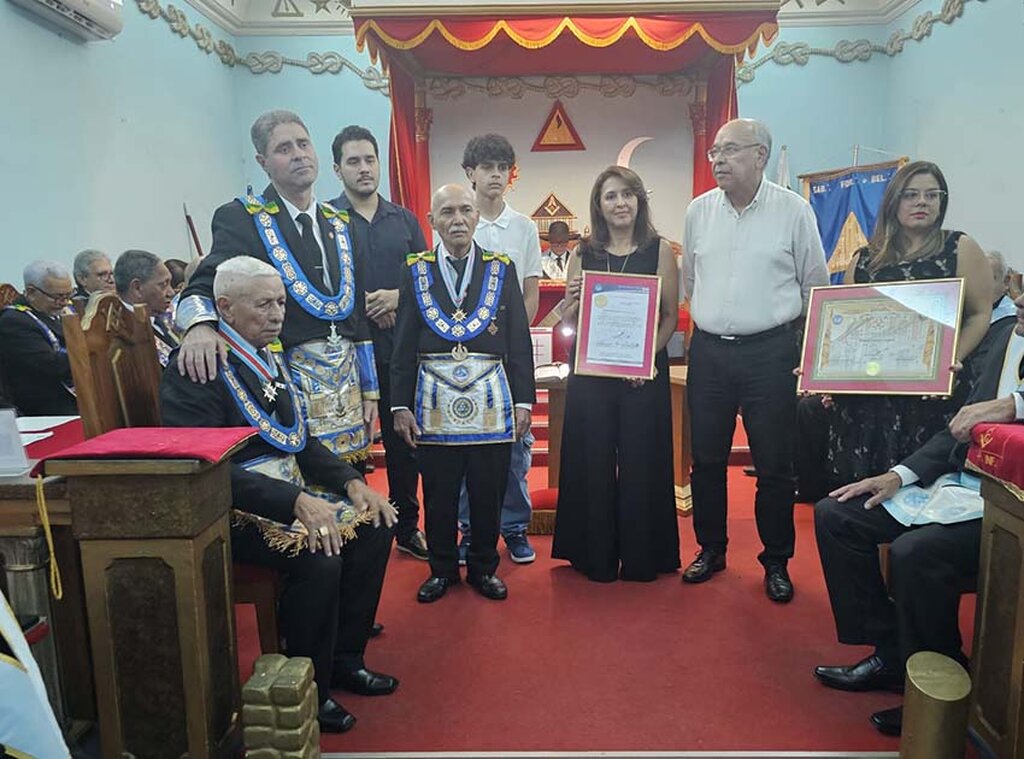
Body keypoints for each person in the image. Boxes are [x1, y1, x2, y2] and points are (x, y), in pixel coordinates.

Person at [161, 256, 398, 734]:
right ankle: (309, 687)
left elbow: (298, 439)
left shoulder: (267, 355)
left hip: (290, 489)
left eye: (281, 302)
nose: (276, 314)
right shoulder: (198, 367)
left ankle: (344, 658)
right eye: (263, 304)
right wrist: (292, 502)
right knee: (320, 557)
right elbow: (204, 468)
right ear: (224, 307)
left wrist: (351, 483)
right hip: (229, 508)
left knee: (375, 521)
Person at [812, 294, 1022, 737]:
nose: (1017, 299)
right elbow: (958, 425)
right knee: (838, 514)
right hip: (958, 484)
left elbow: (999, 413)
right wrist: (898, 475)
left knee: (916, 554)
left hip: (1011, 509)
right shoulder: (1004, 336)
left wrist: (1016, 405)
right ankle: (894, 652)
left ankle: (945, 683)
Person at [175, 110, 380, 467]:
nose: (299, 154)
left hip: (346, 386)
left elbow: (357, 314)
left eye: (303, 144)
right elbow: (208, 280)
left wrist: (370, 387)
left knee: (354, 488)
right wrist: (198, 326)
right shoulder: (242, 217)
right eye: (284, 148)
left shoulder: (340, 221)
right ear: (263, 162)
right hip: (287, 379)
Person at [681, 118, 830, 602]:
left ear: (761, 156)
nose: (718, 160)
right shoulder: (699, 212)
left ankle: (776, 560)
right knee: (705, 460)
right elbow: (689, 285)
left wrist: (809, 360)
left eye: (729, 151)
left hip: (772, 351)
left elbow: (816, 289)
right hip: (709, 352)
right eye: (714, 152)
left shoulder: (794, 211)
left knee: (774, 466)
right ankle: (711, 548)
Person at [391, 184, 535, 603]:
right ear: (432, 221)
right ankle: (441, 569)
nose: (457, 219)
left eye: (465, 211)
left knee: (487, 490)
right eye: (447, 212)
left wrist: (523, 400)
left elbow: (518, 340)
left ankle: (484, 567)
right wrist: (400, 405)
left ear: (477, 218)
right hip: (433, 401)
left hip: (490, 399)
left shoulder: (500, 268)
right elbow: (402, 340)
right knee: (438, 491)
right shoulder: (414, 269)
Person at [551, 166, 680, 582]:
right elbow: (568, 319)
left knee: (643, 461)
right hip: (591, 375)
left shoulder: (659, 250)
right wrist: (571, 301)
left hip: (641, 376)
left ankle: (644, 556)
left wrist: (647, 359)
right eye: (611, 196)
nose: (620, 203)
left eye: (627, 194)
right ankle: (595, 556)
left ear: (639, 200)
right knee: (592, 460)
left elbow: (668, 318)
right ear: (599, 204)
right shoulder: (583, 252)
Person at [827, 161, 992, 486]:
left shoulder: (959, 248)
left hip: (929, 397)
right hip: (867, 398)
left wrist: (949, 359)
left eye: (932, 195)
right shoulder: (864, 259)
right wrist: (825, 367)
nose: (922, 202)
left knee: (920, 488)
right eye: (911, 195)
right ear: (893, 202)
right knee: (859, 491)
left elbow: (978, 314)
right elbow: (844, 323)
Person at [328, 125, 430, 561]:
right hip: (346, 356)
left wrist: (397, 297)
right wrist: (367, 306)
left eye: (370, 159)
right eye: (354, 161)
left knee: (404, 444)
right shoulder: (326, 221)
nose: (364, 168)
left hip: (400, 354)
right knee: (347, 447)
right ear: (337, 169)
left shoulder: (404, 220)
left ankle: (407, 526)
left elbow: (427, 283)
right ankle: (350, 529)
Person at [457, 134, 543, 565]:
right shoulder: (455, 219)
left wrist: (511, 340)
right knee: (461, 442)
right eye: (486, 167)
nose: (495, 175)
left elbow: (530, 293)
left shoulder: (524, 227)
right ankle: (469, 529)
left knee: (514, 446)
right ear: (469, 173)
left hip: (507, 358)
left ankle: (513, 528)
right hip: (461, 358)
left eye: (502, 167)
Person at [0, 261, 77, 415]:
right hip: (49, 406)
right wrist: (91, 352)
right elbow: (51, 365)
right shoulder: (14, 321)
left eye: (68, 295)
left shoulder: (64, 310)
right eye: (57, 297)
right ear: (31, 292)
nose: (63, 303)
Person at [114, 250, 178, 366]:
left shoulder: (159, 319)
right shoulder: (121, 333)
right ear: (137, 288)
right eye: (163, 285)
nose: (171, 292)